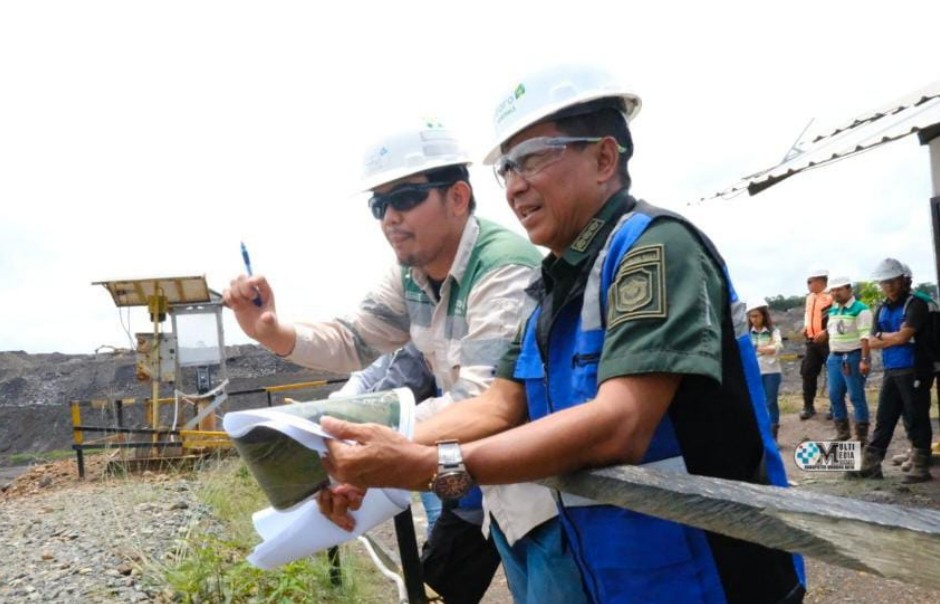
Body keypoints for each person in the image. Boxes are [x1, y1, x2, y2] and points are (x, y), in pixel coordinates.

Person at [318, 64, 806, 603]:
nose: (514, 186)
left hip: (715, 574)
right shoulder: (551, 285)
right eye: (506, 168)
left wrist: (432, 465)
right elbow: (496, 407)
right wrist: (375, 456)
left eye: (532, 160)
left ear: (604, 158)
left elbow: (620, 424)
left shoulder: (656, 249)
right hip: (622, 574)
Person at [224, 120, 569, 604]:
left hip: (552, 491)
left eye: (405, 197)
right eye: (379, 205)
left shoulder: (501, 268)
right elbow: (355, 339)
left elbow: (484, 401)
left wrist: (358, 454)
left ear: (458, 197)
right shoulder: (412, 276)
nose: (390, 217)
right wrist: (273, 332)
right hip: (497, 489)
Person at [329, 343, 443, 533]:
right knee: (442, 516)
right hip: (416, 435)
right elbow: (368, 373)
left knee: (445, 514)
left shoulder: (417, 339)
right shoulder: (392, 336)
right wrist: (340, 406)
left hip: (432, 434)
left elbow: (406, 381)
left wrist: (351, 417)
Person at [855, 258, 935, 482]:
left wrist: (885, 337)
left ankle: (920, 465)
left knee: (916, 416)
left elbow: (903, 336)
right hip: (891, 369)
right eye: (884, 282)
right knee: (885, 417)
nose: (888, 286)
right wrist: (890, 337)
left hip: (915, 368)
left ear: (902, 280)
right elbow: (871, 341)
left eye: (892, 281)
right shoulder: (882, 308)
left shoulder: (915, 304)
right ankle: (871, 464)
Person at [824, 276, 872, 442]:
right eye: (833, 290)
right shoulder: (833, 309)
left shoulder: (860, 309)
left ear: (849, 289)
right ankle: (843, 432)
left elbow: (865, 336)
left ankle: (861, 435)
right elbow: (833, 330)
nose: (835, 293)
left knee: (856, 395)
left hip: (853, 355)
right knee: (834, 394)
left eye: (839, 289)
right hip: (835, 356)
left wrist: (864, 359)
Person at [747, 298, 783, 443]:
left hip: (771, 371)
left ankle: (773, 436)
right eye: (751, 316)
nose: (754, 319)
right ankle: (760, 435)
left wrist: (756, 348)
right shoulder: (747, 333)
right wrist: (764, 349)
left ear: (763, 315)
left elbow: (776, 348)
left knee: (771, 401)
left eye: (757, 316)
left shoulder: (773, 331)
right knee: (756, 402)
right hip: (753, 371)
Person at [800, 269, 833, 420]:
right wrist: (806, 327)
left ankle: (835, 407)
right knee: (807, 372)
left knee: (832, 374)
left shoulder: (831, 296)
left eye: (809, 281)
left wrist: (827, 332)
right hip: (812, 342)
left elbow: (836, 317)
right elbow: (808, 315)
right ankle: (808, 406)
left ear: (820, 281)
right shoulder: (810, 298)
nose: (807, 285)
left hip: (828, 342)